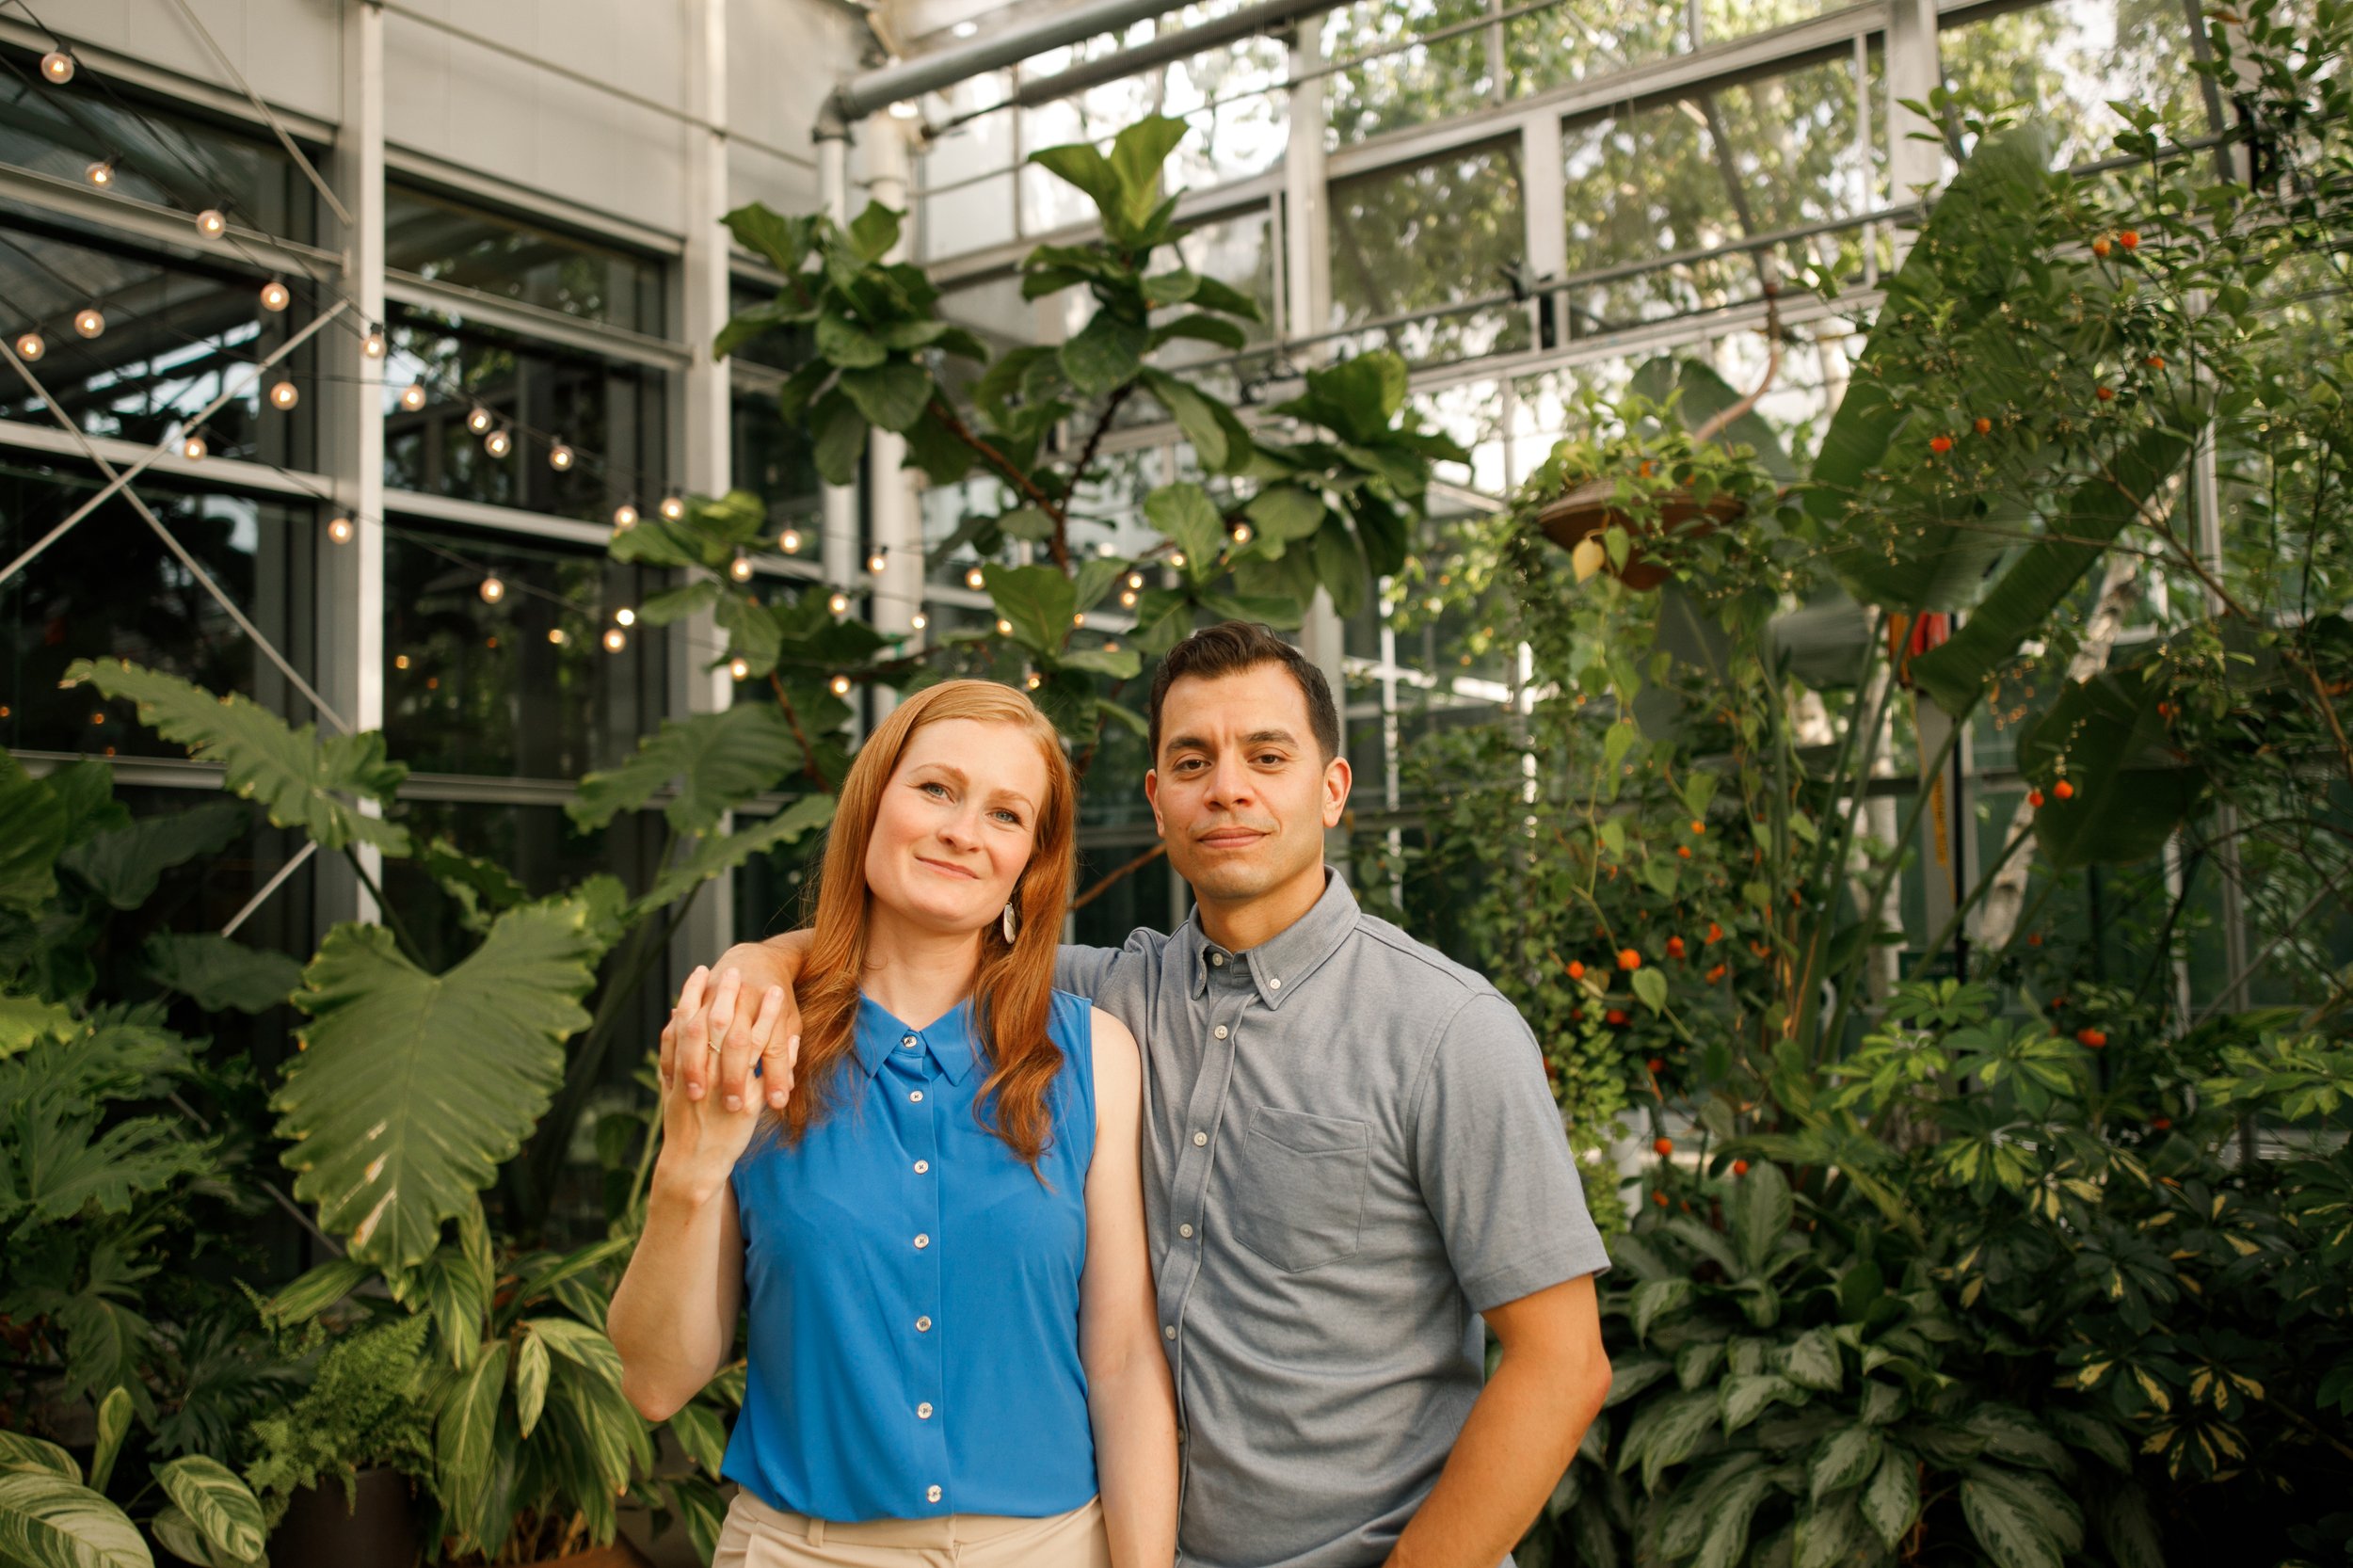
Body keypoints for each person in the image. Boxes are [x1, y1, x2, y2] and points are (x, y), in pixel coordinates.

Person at [673, 623, 1614, 1568]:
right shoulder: (1100, 1002)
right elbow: (917, 939)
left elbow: (1562, 1363)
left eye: (1267, 756)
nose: (1228, 787)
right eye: (1192, 760)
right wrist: (761, 964)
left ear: (1332, 790)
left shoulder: (1448, 1029)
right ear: (1159, 801)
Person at [609, 679, 1179, 1568]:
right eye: (937, 789)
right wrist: (687, 1172)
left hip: (1052, 1549)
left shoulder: (1096, 1056)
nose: (963, 831)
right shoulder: (756, 1041)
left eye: (1005, 814)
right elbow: (653, 1383)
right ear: (872, 805)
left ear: (1030, 863)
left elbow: (1123, 1366)